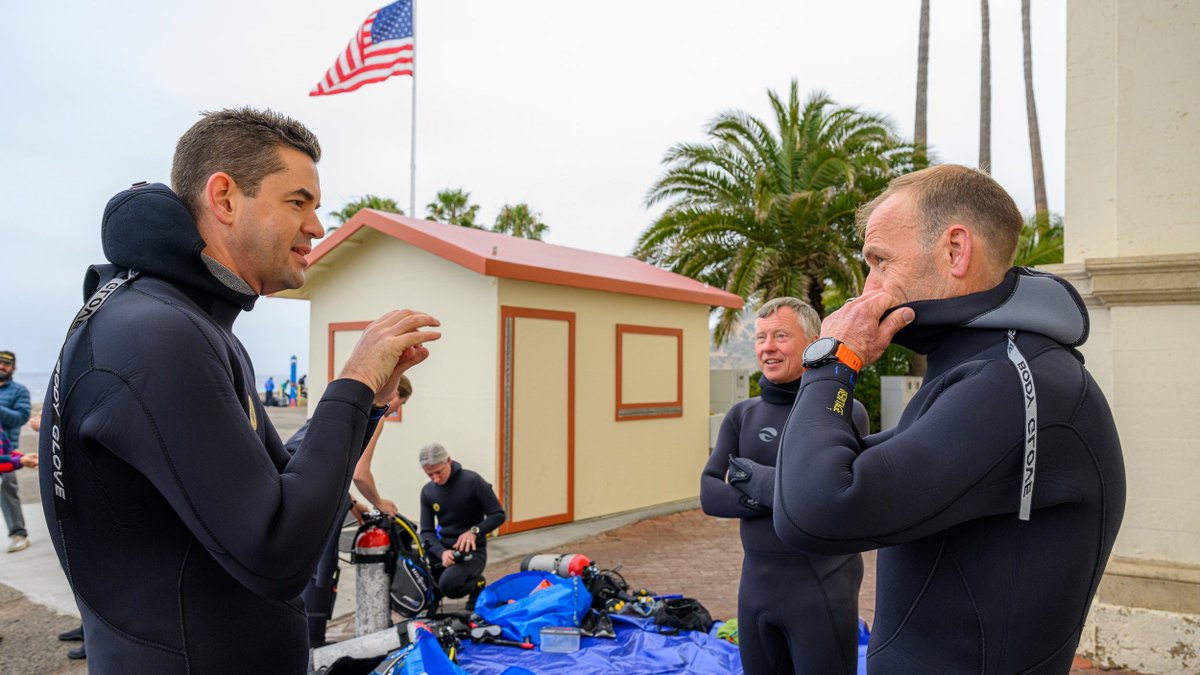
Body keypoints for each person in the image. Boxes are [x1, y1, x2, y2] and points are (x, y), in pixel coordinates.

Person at [38, 107, 441, 674]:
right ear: (224, 198)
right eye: (298, 202)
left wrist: (368, 403)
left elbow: (283, 489)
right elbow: (279, 552)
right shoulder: (155, 334)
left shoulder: (178, 321)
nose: (317, 227)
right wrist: (351, 383)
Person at [772, 164, 1126, 673]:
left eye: (880, 261)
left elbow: (815, 509)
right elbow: (816, 478)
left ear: (955, 250)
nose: (868, 286)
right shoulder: (984, 371)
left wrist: (832, 360)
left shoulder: (1016, 383)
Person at [701, 298, 868, 675]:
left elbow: (838, 499)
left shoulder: (843, 411)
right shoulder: (743, 416)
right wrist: (790, 495)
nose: (767, 347)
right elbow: (709, 494)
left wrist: (755, 482)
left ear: (812, 341)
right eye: (761, 337)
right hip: (756, 590)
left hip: (822, 589)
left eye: (780, 335)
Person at [299, 375, 414, 646]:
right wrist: (380, 503)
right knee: (321, 573)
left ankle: (306, 639)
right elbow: (360, 474)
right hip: (320, 495)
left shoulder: (344, 408)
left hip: (299, 483)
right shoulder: (376, 414)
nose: (395, 410)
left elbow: (331, 461)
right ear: (393, 392)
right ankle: (312, 644)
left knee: (308, 568)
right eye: (399, 403)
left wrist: (350, 502)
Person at [418, 443, 506, 611]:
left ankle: (477, 584)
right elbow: (427, 532)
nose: (436, 479)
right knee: (420, 583)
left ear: (448, 461)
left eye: (438, 472)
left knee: (449, 585)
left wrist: (474, 531)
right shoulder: (428, 492)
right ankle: (437, 590)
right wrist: (442, 552)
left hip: (471, 551)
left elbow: (498, 515)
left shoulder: (472, 481)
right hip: (444, 550)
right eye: (430, 475)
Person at [0, 350, 32, 553]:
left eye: (6, 364)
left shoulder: (19, 390)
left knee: (7, 491)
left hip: (8, 450)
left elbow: (21, 417)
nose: (1, 366)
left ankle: (18, 534)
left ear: (13, 368)